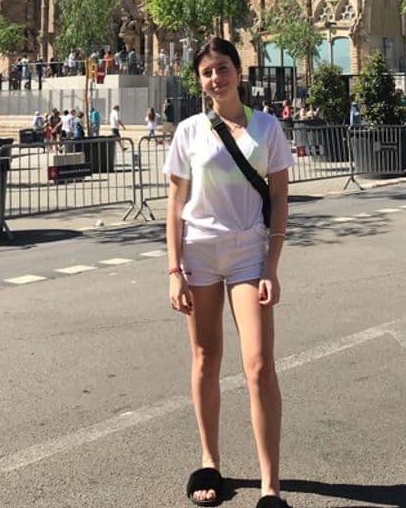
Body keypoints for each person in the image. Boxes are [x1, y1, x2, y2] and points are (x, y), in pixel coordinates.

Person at [164, 37, 294, 508]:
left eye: (222, 68)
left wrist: (272, 266)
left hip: (248, 254)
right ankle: (210, 461)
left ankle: (270, 485)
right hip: (198, 253)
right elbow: (176, 202)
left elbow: (279, 198)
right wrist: (173, 269)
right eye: (206, 72)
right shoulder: (190, 131)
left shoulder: (267, 128)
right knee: (205, 359)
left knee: (258, 365)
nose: (215, 78)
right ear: (199, 80)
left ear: (239, 71)